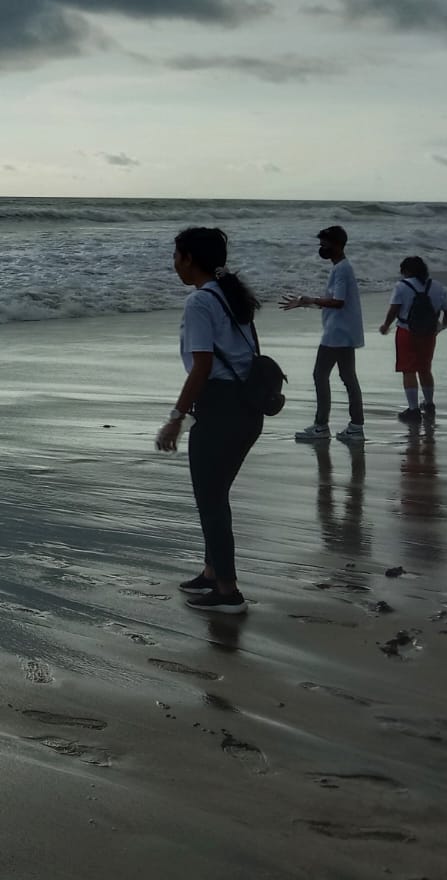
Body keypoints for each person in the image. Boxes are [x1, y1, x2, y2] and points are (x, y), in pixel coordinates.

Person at [155, 228, 265, 615]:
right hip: (248, 412)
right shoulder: (231, 296)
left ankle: (228, 592)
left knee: (211, 502)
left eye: (176, 256)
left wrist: (175, 419)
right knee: (216, 497)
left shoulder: (201, 302)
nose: (173, 264)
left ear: (189, 258)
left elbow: (201, 366)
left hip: (220, 411)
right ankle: (211, 571)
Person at [280, 225, 365, 443]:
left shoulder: (342, 270)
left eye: (324, 243)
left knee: (321, 375)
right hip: (344, 332)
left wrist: (310, 300)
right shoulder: (341, 268)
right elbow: (334, 302)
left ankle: (321, 426)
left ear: (336, 244)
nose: (321, 247)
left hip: (336, 334)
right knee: (348, 378)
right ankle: (355, 426)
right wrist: (304, 304)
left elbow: (338, 302)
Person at [377, 256, 447, 424]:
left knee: (408, 370)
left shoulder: (402, 286)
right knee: (425, 368)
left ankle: (413, 410)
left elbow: (394, 309)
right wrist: (443, 326)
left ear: (406, 271)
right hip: (429, 332)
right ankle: (429, 403)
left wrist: (385, 325)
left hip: (407, 331)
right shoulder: (437, 286)